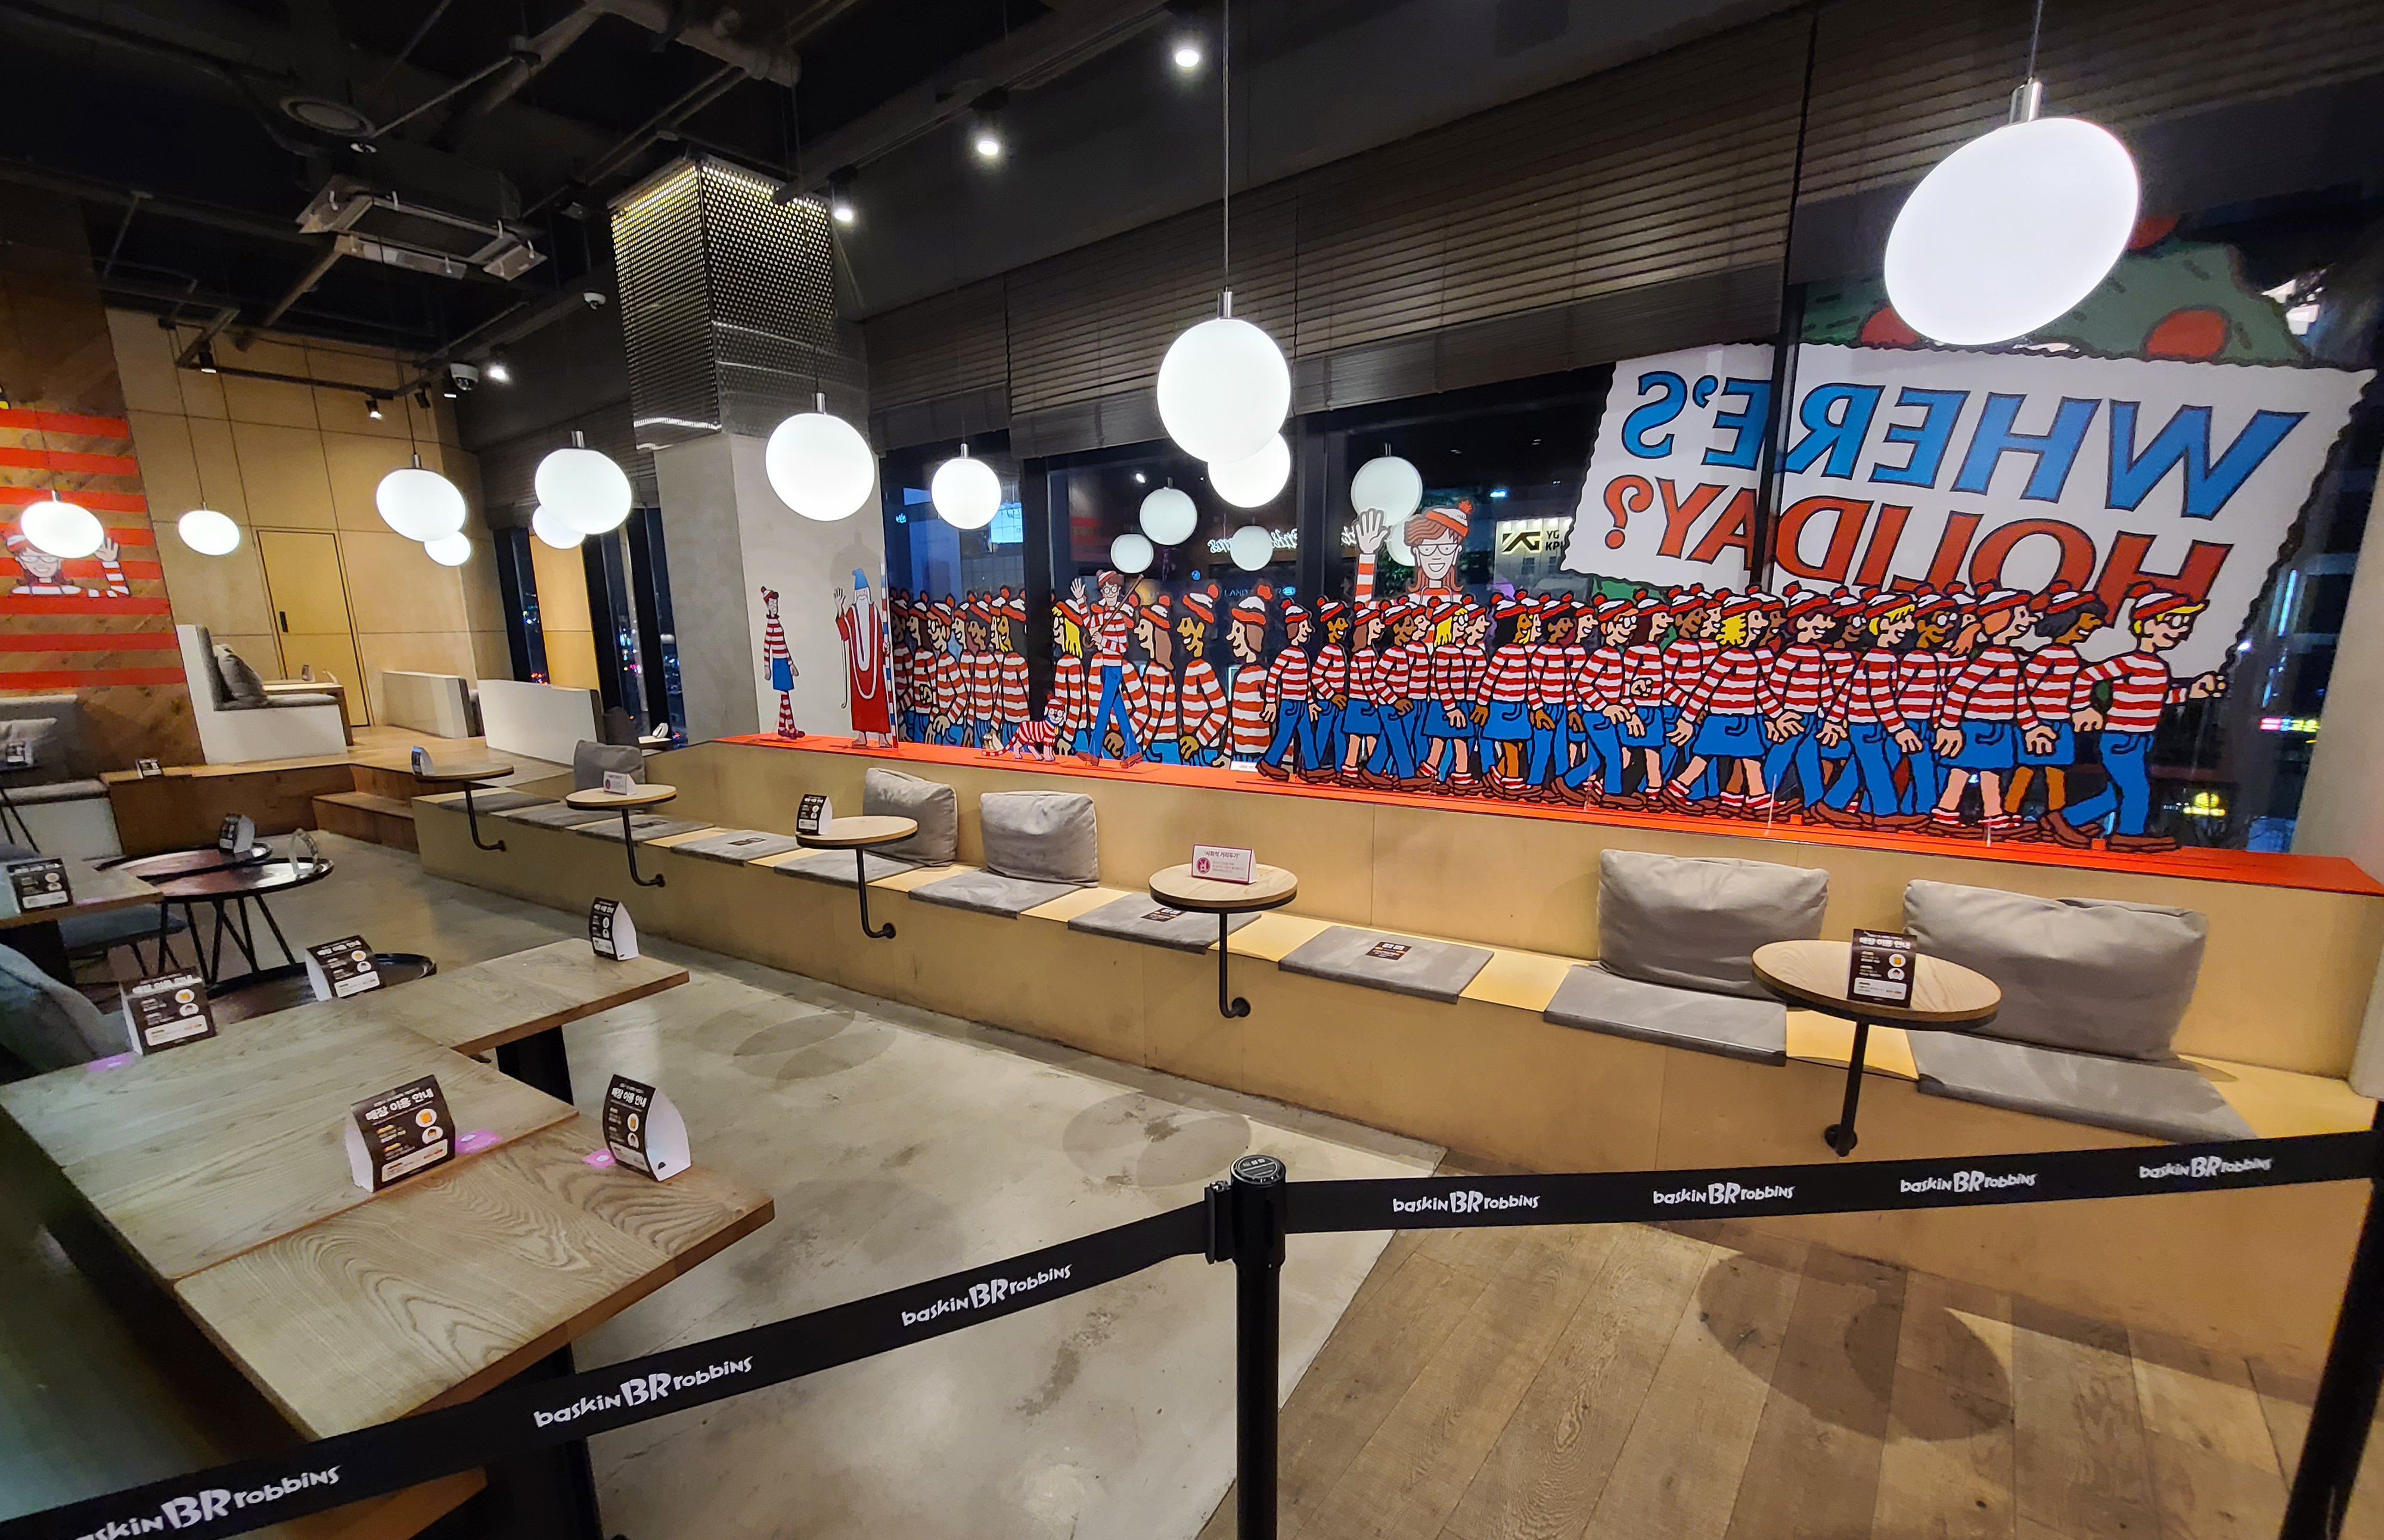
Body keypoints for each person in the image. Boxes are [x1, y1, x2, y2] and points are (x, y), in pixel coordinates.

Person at [2043, 584, 2222, 854]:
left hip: (2140, 738)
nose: (2181, 631)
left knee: (2116, 793)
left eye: (2185, 624)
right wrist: (2083, 708)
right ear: (2146, 625)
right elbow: (2087, 676)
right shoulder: (2130, 662)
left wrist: (2191, 692)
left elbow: (2158, 699)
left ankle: (2064, 819)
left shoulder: (2156, 666)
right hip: (2121, 738)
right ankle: (2129, 834)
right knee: (2137, 790)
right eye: (2174, 622)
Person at [1929, 588, 2042, 839]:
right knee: (1962, 770)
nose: (2030, 620)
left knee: (1991, 772)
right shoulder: (1990, 657)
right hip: (1978, 725)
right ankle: (1947, 811)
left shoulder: (2007, 656)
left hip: (2000, 725)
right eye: (2022, 614)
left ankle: (1992, 814)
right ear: (2003, 618)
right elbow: (1960, 690)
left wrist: (2032, 726)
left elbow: (2018, 696)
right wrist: (1949, 726)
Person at [1811, 595, 1924, 829]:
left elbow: (1848, 690)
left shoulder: (1876, 656)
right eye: (1903, 620)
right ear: (1883, 624)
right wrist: (1900, 729)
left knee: (1858, 767)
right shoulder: (1880, 658)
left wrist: (1834, 719)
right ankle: (1885, 812)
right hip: (1867, 724)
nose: (1909, 626)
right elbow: (1881, 699)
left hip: (1867, 723)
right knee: (1876, 767)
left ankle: (1831, 804)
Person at [1665, 594, 1774, 816]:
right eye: (1756, 618)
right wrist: (1687, 719)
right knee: (1703, 758)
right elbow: (1704, 690)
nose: (1763, 624)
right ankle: (1677, 789)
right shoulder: (1726, 658)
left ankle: (1752, 800)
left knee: (1751, 760)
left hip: (1746, 719)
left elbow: (1761, 691)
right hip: (1721, 719)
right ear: (1739, 624)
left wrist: (1778, 716)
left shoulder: (1750, 658)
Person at [2005, 590, 2107, 823]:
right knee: (2026, 770)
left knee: (2056, 772)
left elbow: (2075, 691)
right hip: (2038, 723)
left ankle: (2055, 818)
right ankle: (2010, 813)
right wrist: (2030, 724)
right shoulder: (2045, 656)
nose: (2094, 626)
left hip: (2061, 722)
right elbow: (2024, 689)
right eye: (2089, 619)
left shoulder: (2072, 655)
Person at [1076, 572, 1142, 766]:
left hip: (1114, 669)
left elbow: (1122, 647)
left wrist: (1103, 640)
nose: (1110, 592)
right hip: (1106, 669)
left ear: (1118, 590)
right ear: (1103, 592)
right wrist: (1081, 601)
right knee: (1120, 712)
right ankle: (1134, 752)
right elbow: (1089, 624)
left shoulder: (1118, 619)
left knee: (1103, 710)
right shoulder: (1103, 616)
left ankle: (1094, 753)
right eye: (1107, 589)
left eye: (1113, 589)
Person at [834, 573, 896, 747]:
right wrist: (839, 608)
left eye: (863, 592)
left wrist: (885, 647)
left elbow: (881, 636)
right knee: (859, 703)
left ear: (867, 593)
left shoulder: (874, 612)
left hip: (874, 666)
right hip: (857, 667)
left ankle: (882, 737)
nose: (861, 595)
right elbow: (845, 634)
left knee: (879, 703)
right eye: (859, 593)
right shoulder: (852, 612)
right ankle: (862, 736)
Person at [1258, 599, 1315, 781]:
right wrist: (1271, 702)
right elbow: (1273, 677)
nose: (1308, 630)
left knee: (1307, 736)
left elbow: (1306, 682)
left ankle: (1312, 768)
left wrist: (1311, 702)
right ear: (1295, 629)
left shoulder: (1302, 655)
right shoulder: (1286, 655)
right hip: (1290, 704)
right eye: (1304, 627)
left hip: (1302, 704)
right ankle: (1269, 763)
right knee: (1284, 735)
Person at [1175, 586, 1230, 765]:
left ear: (1199, 629)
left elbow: (1221, 710)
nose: (1180, 630)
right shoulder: (1192, 666)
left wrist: (1198, 738)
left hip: (1204, 750)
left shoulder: (1203, 668)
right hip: (1193, 747)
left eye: (1185, 624)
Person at [4, 528, 128, 598]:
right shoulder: (19, 593)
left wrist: (110, 563)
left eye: (49, 559)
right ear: (22, 562)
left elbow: (120, 596)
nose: (41, 563)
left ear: (60, 560)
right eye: (31, 559)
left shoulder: (71, 591)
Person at [1225, 590, 1274, 766]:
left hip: (1261, 755)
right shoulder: (1239, 676)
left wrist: (1284, 760)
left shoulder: (1264, 677)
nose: (1231, 637)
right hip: (1239, 755)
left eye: (1237, 630)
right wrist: (1227, 754)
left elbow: (1279, 720)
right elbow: (1233, 720)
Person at [760, 585, 801, 740]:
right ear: (767, 606)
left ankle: (782, 727)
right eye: (772, 604)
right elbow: (767, 647)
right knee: (785, 695)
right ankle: (792, 728)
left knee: (784, 695)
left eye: (776, 603)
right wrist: (767, 666)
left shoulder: (776, 623)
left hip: (783, 662)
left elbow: (784, 646)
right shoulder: (771, 625)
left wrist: (791, 664)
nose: (775, 606)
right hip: (777, 664)